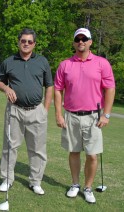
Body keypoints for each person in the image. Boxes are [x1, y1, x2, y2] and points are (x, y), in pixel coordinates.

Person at [54, 28, 115, 203]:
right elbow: (58, 90)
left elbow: (110, 88)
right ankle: (75, 184)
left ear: (90, 42)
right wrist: (58, 114)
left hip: (94, 116)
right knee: (73, 152)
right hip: (71, 115)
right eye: (78, 39)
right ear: (74, 42)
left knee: (92, 154)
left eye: (84, 39)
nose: (81, 41)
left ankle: (88, 187)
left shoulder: (101, 63)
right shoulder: (65, 65)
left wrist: (107, 115)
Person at [0, 28, 53, 195]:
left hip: (37, 110)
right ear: (18, 42)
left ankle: (35, 181)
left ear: (34, 44)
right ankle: (7, 179)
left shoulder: (42, 61)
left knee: (37, 149)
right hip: (15, 110)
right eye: (23, 41)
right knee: (10, 146)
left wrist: (46, 109)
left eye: (29, 41)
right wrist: (6, 88)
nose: (26, 44)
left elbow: (49, 85)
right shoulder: (9, 61)